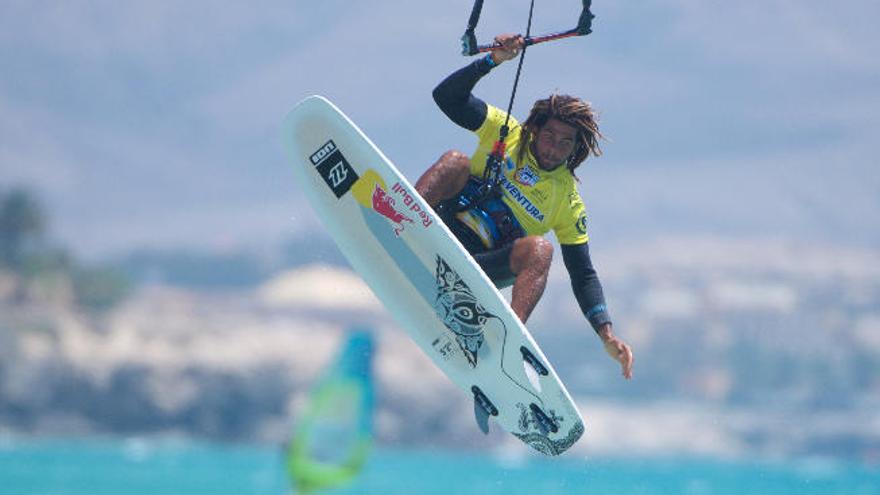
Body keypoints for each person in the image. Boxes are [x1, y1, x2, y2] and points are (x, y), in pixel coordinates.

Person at [415, 34, 633, 379]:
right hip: (439, 226)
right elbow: (446, 97)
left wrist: (605, 332)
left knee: (542, 249)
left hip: (481, 265)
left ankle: (508, 338)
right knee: (455, 162)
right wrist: (493, 60)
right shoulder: (506, 132)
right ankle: (404, 225)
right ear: (535, 129)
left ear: (575, 149)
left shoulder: (567, 201)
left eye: (565, 143)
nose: (553, 148)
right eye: (549, 136)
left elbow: (583, 273)